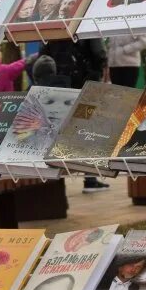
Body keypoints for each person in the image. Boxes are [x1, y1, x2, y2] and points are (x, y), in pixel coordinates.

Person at [42, 38, 109, 193]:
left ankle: (53, 180)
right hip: (84, 85)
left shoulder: (55, 27)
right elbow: (99, 53)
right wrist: (97, 74)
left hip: (59, 85)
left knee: (57, 132)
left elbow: (43, 55)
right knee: (86, 131)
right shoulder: (85, 25)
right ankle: (90, 178)